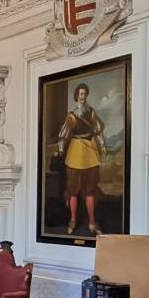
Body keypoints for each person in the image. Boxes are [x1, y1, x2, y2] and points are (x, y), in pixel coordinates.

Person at [57, 82, 106, 236]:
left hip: (90, 151)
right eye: (80, 94)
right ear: (77, 96)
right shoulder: (71, 116)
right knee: (73, 190)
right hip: (76, 151)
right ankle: (72, 219)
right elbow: (63, 135)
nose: (83, 97)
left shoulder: (91, 112)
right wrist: (60, 149)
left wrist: (103, 145)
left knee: (90, 190)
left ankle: (92, 221)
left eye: (85, 94)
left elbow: (98, 131)